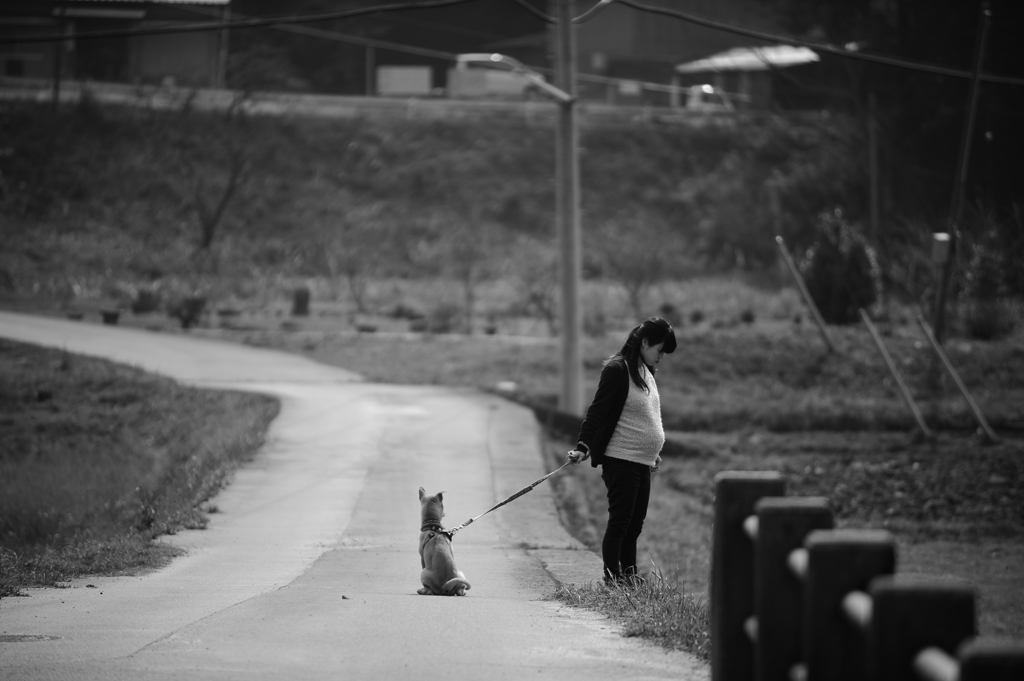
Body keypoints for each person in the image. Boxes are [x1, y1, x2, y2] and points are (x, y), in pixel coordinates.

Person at [566, 317, 677, 587]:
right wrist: (584, 446)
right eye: (660, 350)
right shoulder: (618, 369)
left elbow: (647, 417)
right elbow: (598, 411)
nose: (661, 356)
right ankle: (613, 578)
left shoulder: (646, 370)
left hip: (642, 462)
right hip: (621, 459)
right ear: (645, 342)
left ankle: (628, 575)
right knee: (620, 522)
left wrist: (654, 450)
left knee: (635, 524)